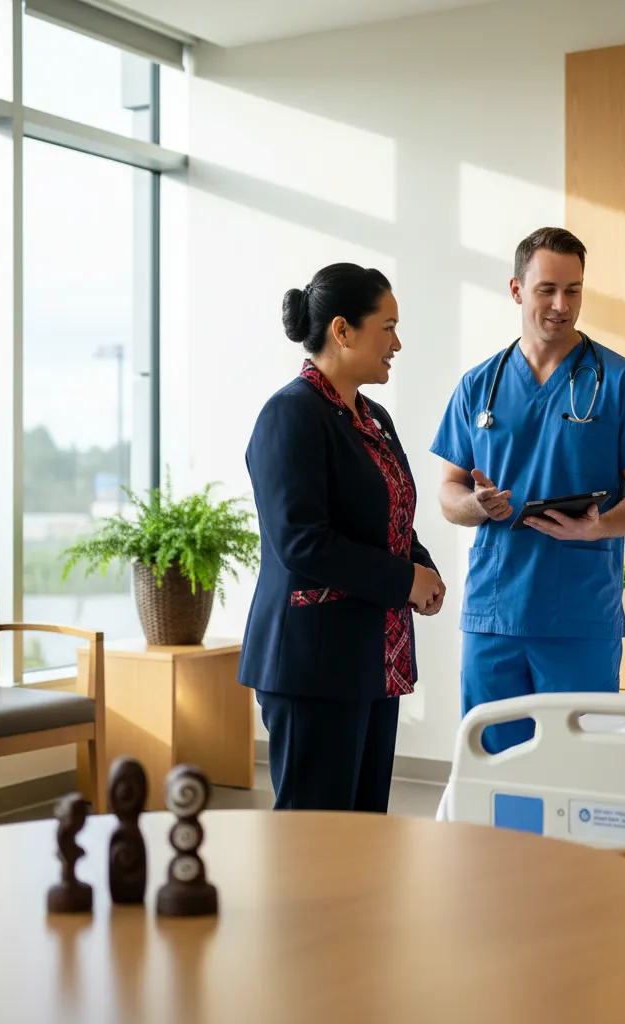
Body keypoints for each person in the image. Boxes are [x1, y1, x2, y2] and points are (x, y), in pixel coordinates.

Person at [430, 227, 625, 753]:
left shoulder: (621, 381)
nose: (562, 305)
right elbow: (448, 491)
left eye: (574, 290)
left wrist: (601, 526)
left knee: (573, 771)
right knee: (490, 767)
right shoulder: (480, 385)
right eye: (547, 290)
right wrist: (473, 505)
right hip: (493, 615)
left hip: (579, 615)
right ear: (517, 290)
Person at [239, 263, 444, 812]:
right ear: (343, 330)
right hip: (314, 660)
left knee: (365, 831)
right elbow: (302, 540)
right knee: (316, 839)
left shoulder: (371, 416)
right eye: (388, 326)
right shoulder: (290, 415)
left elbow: (391, 513)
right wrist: (404, 580)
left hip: (373, 656)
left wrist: (423, 570)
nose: (397, 343)